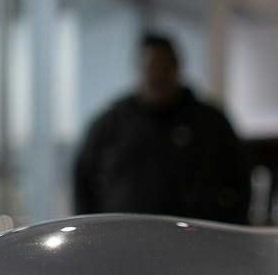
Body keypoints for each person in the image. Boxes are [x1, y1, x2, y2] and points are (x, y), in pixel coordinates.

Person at [72, 32, 248, 222]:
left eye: (163, 67)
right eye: (150, 67)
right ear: (140, 69)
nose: (157, 75)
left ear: (176, 67)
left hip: (198, 237)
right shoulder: (112, 123)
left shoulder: (210, 122)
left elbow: (240, 177)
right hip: (126, 239)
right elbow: (82, 178)